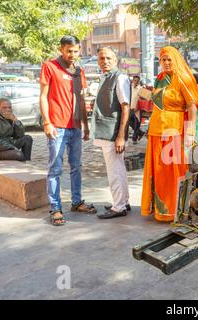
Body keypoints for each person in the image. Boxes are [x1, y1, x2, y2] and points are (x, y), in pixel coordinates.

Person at [39, 35, 96, 227]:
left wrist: (86, 126)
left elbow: (81, 101)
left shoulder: (80, 71)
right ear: (62, 50)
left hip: (76, 127)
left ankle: (77, 202)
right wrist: (47, 122)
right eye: (68, 50)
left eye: (75, 51)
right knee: (55, 168)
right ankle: (55, 208)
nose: (72, 54)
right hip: (57, 126)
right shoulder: (50, 66)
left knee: (76, 166)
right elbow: (43, 97)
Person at [141, 46, 198, 222]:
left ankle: (176, 209)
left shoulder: (182, 78)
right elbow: (157, 101)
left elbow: (192, 105)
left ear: (175, 60)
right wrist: (141, 92)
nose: (166, 63)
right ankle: (161, 210)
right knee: (158, 172)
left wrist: (190, 131)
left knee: (173, 172)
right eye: (163, 60)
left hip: (174, 131)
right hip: (156, 131)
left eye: (169, 59)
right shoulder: (160, 79)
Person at [90, 47, 131, 219]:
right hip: (107, 131)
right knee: (118, 169)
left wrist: (121, 136)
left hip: (113, 133)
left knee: (114, 171)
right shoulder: (105, 77)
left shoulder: (119, 77)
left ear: (115, 60)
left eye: (108, 58)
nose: (104, 61)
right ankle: (123, 201)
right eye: (101, 58)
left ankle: (118, 207)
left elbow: (126, 107)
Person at [129, 75, 142, 144]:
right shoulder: (130, 88)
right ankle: (141, 133)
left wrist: (138, 106)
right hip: (130, 108)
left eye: (137, 81)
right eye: (135, 80)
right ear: (133, 80)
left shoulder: (141, 89)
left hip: (138, 109)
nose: (136, 82)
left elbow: (143, 99)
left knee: (137, 124)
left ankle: (134, 139)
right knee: (130, 123)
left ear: (139, 81)